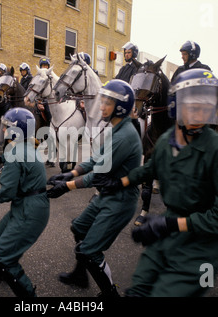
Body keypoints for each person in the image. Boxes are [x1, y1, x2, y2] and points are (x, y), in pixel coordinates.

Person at [93, 68, 218, 296]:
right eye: (193, 103)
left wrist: (170, 225)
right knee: (138, 289)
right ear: (176, 104)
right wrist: (119, 182)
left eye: (206, 104)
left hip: (203, 248)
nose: (201, 110)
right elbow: (149, 170)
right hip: (167, 231)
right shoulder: (166, 141)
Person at [46, 79, 142, 297]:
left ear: (120, 106)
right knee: (79, 228)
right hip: (108, 195)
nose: (101, 107)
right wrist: (70, 173)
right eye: (102, 101)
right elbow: (95, 160)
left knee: (90, 251)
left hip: (120, 201)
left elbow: (97, 176)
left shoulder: (125, 136)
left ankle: (110, 294)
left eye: (107, 103)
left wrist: (67, 186)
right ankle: (81, 276)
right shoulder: (116, 129)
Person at [0, 107, 50, 297]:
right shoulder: (26, 145)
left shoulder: (16, 152)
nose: (3, 131)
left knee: (5, 258)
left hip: (30, 210)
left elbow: (7, 192)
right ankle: (0, 270)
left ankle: (29, 298)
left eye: (7, 127)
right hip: (28, 204)